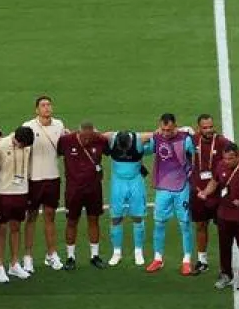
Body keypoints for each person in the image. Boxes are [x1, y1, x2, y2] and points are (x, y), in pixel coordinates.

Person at [145, 113, 196, 274]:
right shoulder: (157, 138)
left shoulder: (185, 140)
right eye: (163, 129)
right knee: (159, 223)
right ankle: (158, 258)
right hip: (163, 187)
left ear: (176, 126)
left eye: (169, 129)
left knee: (185, 224)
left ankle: (187, 260)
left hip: (182, 186)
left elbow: (198, 154)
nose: (166, 132)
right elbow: (142, 149)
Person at [57, 122, 109, 269]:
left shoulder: (100, 140)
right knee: (72, 221)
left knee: (94, 220)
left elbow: (110, 147)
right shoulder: (67, 140)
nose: (87, 140)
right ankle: (70, 257)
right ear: (78, 133)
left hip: (94, 189)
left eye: (90, 137)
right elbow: (56, 151)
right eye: (84, 137)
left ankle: (95, 255)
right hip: (74, 190)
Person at [24, 95, 67, 273]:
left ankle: (52, 254)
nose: (47, 108)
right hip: (34, 178)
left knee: (50, 215)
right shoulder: (28, 126)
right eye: (43, 105)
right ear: (37, 110)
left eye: (49, 104)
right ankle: (27, 257)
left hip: (52, 177)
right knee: (31, 217)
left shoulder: (59, 125)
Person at [206, 145, 239, 290]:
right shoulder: (220, 165)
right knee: (224, 247)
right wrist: (205, 192)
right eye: (225, 158)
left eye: (231, 158)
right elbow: (214, 181)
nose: (227, 161)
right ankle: (226, 274)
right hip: (224, 215)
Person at [188, 114, 233, 273]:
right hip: (198, 192)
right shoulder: (192, 140)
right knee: (200, 225)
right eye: (205, 127)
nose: (208, 130)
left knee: (223, 228)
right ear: (198, 127)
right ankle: (202, 260)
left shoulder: (221, 141)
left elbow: (238, 153)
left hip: (218, 193)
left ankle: (225, 264)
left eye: (210, 127)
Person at [0, 125, 35, 282]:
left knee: (16, 227)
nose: (24, 147)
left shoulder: (27, 145)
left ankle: (14, 264)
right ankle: (0, 267)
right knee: (2, 228)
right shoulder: (0, 145)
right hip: (4, 192)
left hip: (22, 192)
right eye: (22, 144)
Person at [105, 129, 149, 267]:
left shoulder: (140, 139)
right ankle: (116, 252)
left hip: (135, 182)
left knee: (137, 217)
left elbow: (160, 134)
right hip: (118, 183)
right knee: (116, 218)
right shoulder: (111, 138)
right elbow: (94, 135)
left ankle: (138, 251)